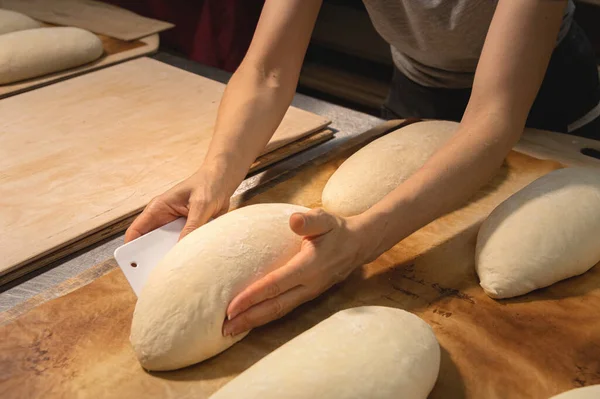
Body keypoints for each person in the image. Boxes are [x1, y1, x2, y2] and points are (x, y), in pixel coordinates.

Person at [124, 0, 600, 337]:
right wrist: (216, 173)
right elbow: (268, 69)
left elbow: (492, 119)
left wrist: (359, 243)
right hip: (418, 91)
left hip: (548, 105)